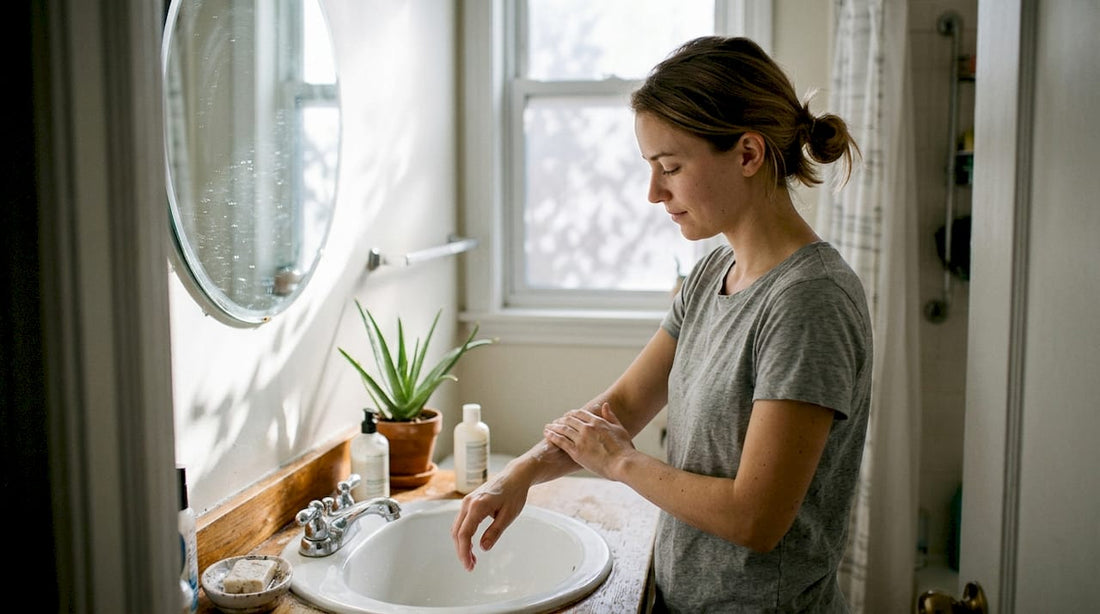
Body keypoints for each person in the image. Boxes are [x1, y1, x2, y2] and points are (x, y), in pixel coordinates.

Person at [451, 35, 870, 613]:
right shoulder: (711, 274)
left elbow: (756, 518)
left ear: (748, 154)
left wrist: (620, 462)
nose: (654, 193)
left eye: (670, 167)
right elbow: (620, 408)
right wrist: (519, 474)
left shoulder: (809, 302)